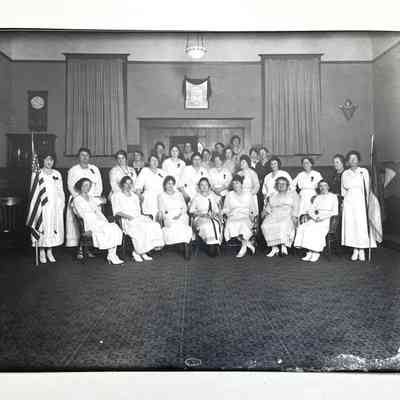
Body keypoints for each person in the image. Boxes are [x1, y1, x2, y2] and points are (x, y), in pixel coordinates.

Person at [112, 176, 164, 262]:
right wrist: (129, 217)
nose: (128, 185)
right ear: (122, 184)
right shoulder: (117, 195)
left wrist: (142, 217)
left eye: (130, 183)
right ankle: (137, 252)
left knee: (153, 225)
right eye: (126, 183)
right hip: (126, 219)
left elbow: (139, 210)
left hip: (138, 217)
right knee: (140, 227)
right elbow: (117, 212)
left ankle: (143, 251)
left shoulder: (134, 196)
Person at [73, 178, 123, 265]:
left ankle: (112, 255)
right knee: (108, 229)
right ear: (80, 186)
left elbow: (99, 209)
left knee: (114, 227)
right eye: (85, 185)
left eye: (89, 185)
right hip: (88, 222)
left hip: (97, 220)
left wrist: (105, 221)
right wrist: (87, 228)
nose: (87, 187)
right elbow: (80, 215)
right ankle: (111, 256)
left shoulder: (91, 198)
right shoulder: (76, 200)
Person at [66, 148, 104, 257]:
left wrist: (94, 200)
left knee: (94, 224)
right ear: (79, 157)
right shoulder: (73, 170)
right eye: (82, 155)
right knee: (80, 225)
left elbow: (99, 185)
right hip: (79, 200)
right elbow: (70, 186)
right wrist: (80, 199)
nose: (85, 157)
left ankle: (89, 249)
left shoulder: (94, 169)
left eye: (87, 155)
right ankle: (80, 249)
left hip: (92, 201)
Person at [341, 150, 376, 261]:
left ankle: (361, 249)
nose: (352, 161)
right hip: (349, 202)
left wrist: (368, 203)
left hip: (360, 201)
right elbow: (343, 191)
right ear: (348, 161)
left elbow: (368, 188)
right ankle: (355, 249)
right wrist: (343, 203)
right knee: (351, 225)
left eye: (354, 158)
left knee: (361, 225)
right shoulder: (345, 173)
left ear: (358, 160)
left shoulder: (363, 171)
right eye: (350, 159)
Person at [294, 180, 339, 262]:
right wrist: (315, 217)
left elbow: (335, 212)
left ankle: (316, 252)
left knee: (315, 229)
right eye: (320, 186)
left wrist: (322, 217)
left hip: (327, 219)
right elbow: (311, 210)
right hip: (316, 218)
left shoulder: (333, 197)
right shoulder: (317, 197)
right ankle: (309, 251)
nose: (322, 187)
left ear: (328, 187)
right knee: (303, 227)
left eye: (325, 185)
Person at [35, 153, 65, 264]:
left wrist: (61, 204)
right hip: (43, 206)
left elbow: (60, 191)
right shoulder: (38, 173)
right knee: (44, 227)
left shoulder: (57, 174)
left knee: (52, 227)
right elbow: (35, 192)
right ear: (42, 160)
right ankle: (42, 251)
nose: (49, 162)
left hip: (54, 206)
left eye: (51, 160)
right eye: (47, 159)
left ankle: (49, 251)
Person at [261, 177, 299, 257]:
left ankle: (283, 246)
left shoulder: (292, 194)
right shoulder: (273, 195)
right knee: (265, 225)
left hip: (287, 214)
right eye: (279, 184)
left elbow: (296, 207)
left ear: (287, 185)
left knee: (282, 225)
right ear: (276, 185)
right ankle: (274, 247)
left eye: (283, 184)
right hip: (274, 214)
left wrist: (294, 216)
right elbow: (268, 207)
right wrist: (264, 212)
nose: (281, 185)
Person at [223, 175, 257, 258]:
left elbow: (253, 208)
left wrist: (252, 216)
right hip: (233, 215)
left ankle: (243, 248)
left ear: (241, 184)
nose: (235, 185)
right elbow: (226, 208)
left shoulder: (248, 194)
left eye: (237, 183)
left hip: (245, 215)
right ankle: (247, 244)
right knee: (231, 224)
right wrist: (226, 214)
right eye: (233, 183)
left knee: (243, 224)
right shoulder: (229, 195)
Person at [158, 176, 192, 258]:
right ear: (164, 185)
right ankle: (181, 244)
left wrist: (180, 215)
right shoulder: (161, 195)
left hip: (181, 214)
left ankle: (185, 246)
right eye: (168, 183)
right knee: (172, 225)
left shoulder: (179, 194)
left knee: (183, 226)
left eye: (172, 184)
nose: (170, 185)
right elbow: (161, 210)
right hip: (169, 216)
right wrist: (166, 216)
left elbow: (184, 207)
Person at [189, 177, 223, 257]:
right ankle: (210, 244)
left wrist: (214, 214)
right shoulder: (196, 197)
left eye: (206, 185)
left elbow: (216, 210)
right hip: (200, 217)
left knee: (216, 224)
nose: (204, 187)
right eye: (202, 185)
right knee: (206, 225)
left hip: (211, 217)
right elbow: (191, 211)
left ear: (209, 186)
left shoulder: (212, 196)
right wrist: (202, 215)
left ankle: (215, 244)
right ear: (199, 187)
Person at [135, 155, 166, 220]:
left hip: (161, 197)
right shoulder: (145, 171)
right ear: (149, 162)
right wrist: (139, 196)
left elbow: (167, 185)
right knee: (151, 218)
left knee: (162, 217)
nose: (154, 162)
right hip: (149, 198)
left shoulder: (162, 172)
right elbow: (138, 186)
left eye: (156, 160)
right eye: (152, 160)